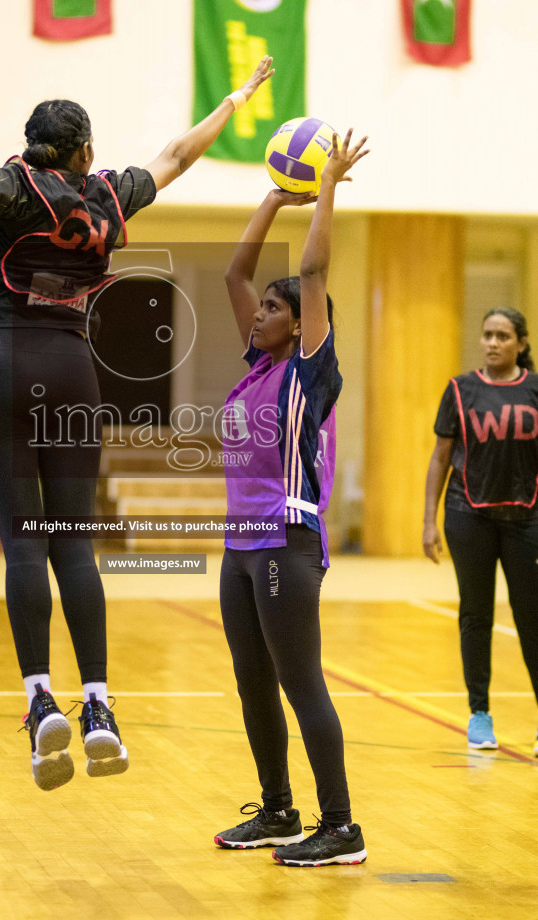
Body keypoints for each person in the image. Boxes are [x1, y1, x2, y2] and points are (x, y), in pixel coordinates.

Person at [0, 55, 275, 791]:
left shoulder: (11, 186)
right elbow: (179, 154)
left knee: (23, 546)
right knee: (74, 546)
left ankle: (39, 699)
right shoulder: (108, 194)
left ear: (32, 145)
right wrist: (236, 95)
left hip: (0, 360)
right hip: (69, 366)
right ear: (84, 149)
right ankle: (98, 705)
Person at [213, 130, 369, 867]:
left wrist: (327, 185)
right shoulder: (253, 369)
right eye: (262, 309)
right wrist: (273, 197)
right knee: (252, 684)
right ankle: (278, 810)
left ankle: (340, 827)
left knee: (299, 682)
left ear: (301, 323)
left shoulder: (308, 371)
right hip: (238, 545)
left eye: (272, 309)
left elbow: (311, 267)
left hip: (285, 542)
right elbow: (233, 273)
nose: (258, 313)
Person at [423, 307, 538, 757]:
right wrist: (427, 521)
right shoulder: (460, 389)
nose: (492, 342)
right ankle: (479, 714)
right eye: (487, 334)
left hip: (525, 517)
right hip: (467, 514)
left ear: (521, 344)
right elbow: (439, 457)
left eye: (502, 336)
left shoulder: (534, 389)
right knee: (476, 613)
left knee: (531, 617)